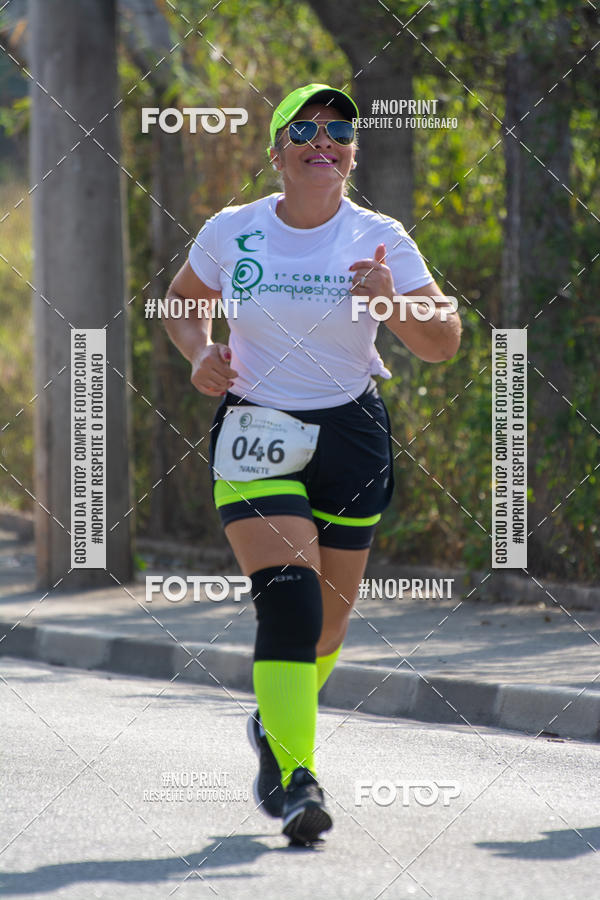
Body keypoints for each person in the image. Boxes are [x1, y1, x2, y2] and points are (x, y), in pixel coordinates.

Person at [164, 83, 461, 845]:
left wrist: (392, 301)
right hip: (257, 424)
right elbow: (182, 300)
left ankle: (275, 719)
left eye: (338, 132)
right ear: (277, 151)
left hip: (351, 432)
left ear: (354, 153)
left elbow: (443, 340)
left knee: (327, 628)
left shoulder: (380, 235)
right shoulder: (234, 229)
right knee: (290, 607)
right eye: (303, 130)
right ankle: (299, 781)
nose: (321, 142)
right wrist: (200, 353)